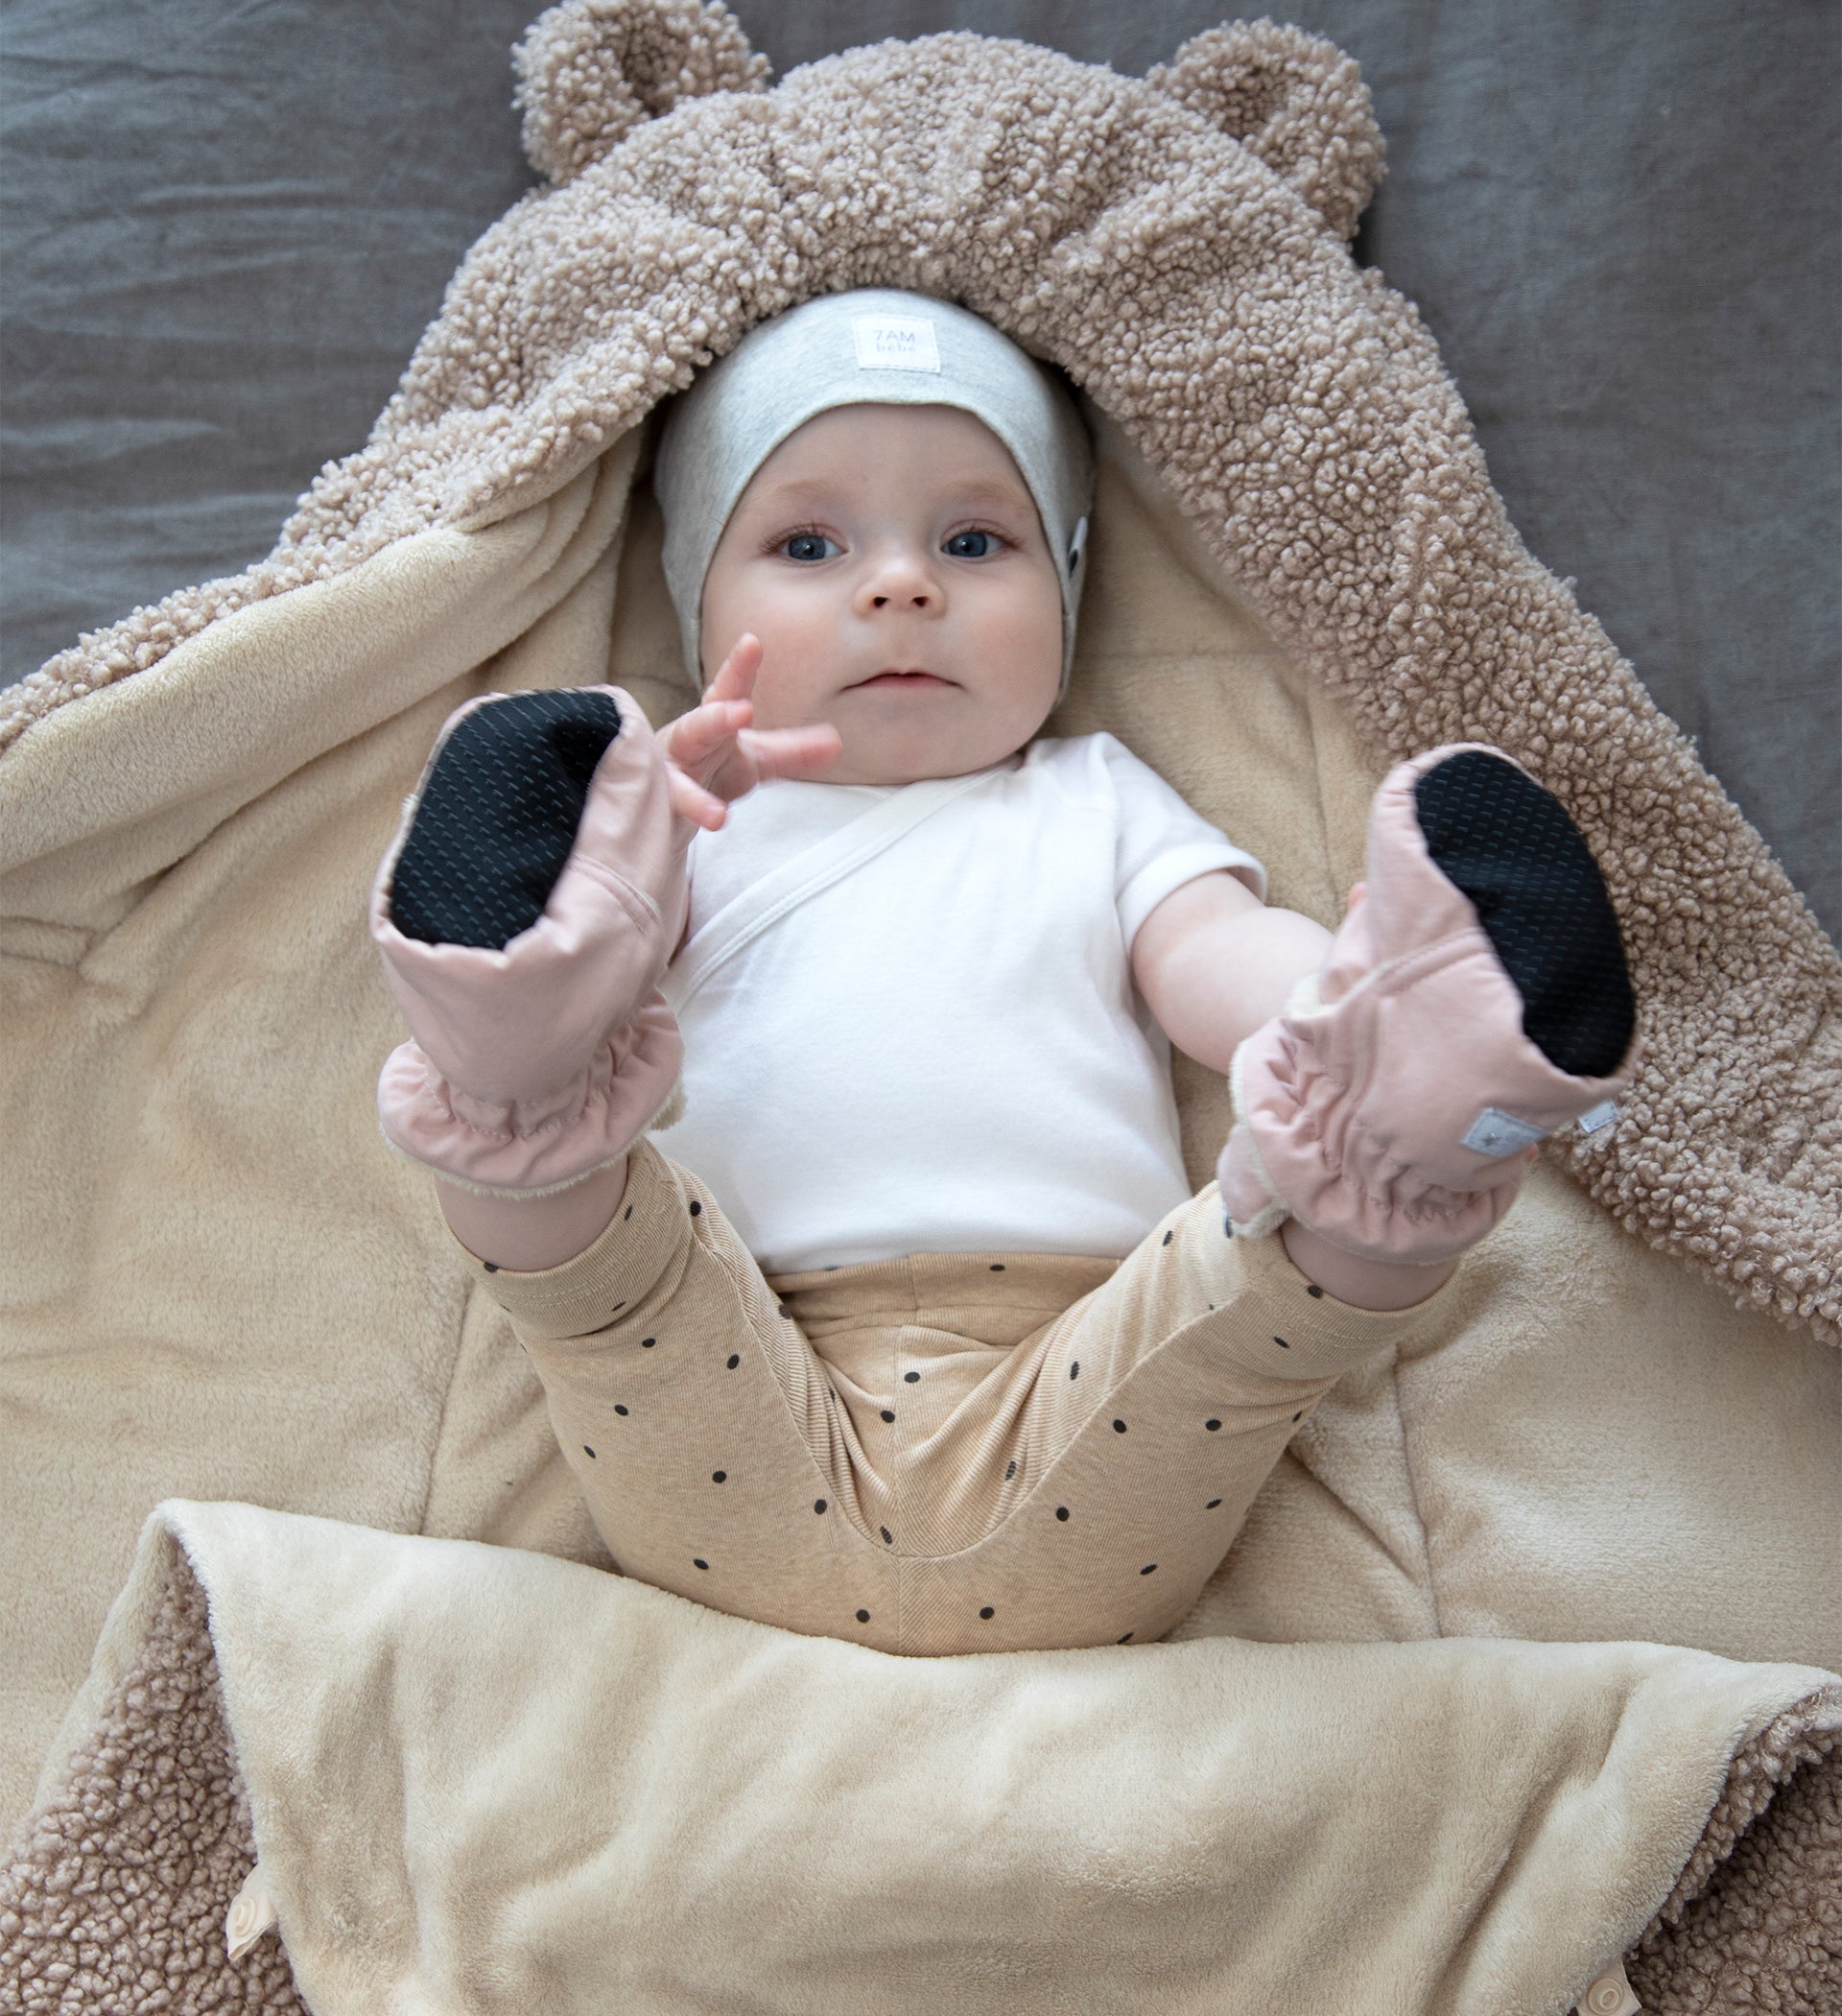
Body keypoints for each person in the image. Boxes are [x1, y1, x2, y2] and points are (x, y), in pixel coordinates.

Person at [369, 291, 1636, 1655]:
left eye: (977, 540)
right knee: (597, 1250)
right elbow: (640, 988)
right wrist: (631, 844)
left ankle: (1398, 1091)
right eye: (809, 543)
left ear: (1069, 594)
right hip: (740, 1342)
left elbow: (1209, 955)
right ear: (696, 609)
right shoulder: (695, 830)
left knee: (1259, 1294)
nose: (902, 584)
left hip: (1089, 1365)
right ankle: (513, 1031)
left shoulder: (1096, 799)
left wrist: (1330, 1000)